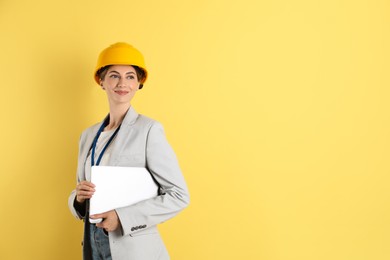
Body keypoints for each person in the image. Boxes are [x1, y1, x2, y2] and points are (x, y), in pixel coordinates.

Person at [68, 42, 190, 260]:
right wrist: (77, 199)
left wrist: (122, 218)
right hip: (93, 243)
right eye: (114, 75)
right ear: (102, 81)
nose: (122, 83)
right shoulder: (87, 136)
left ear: (138, 83)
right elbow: (80, 191)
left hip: (133, 248)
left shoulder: (149, 130)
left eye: (130, 76)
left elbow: (179, 196)